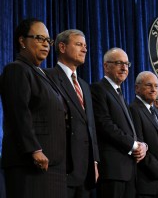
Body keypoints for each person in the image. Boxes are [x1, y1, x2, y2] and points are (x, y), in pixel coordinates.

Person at [1, 18, 70, 198]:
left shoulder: (41, 73)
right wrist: (35, 150)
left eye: (48, 40)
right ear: (22, 41)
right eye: (39, 38)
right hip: (31, 164)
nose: (46, 44)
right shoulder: (16, 69)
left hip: (53, 166)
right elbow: (19, 112)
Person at [45, 29, 99, 198]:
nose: (84, 50)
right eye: (78, 45)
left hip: (85, 170)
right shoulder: (48, 77)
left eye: (85, 46)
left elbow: (91, 126)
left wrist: (95, 161)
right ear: (62, 47)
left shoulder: (84, 85)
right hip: (61, 169)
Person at [90, 47, 147, 198]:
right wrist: (134, 145)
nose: (124, 68)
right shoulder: (98, 89)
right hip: (112, 170)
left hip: (128, 171)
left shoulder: (120, 93)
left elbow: (129, 129)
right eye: (119, 63)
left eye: (127, 64)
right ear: (106, 66)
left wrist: (143, 146)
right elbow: (104, 124)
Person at [129, 71, 158, 197]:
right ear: (137, 88)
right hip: (146, 184)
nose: (154, 89)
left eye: (156, 86)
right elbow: (139, 148)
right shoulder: (133, 110)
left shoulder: (157, 113)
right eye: (149, 85)